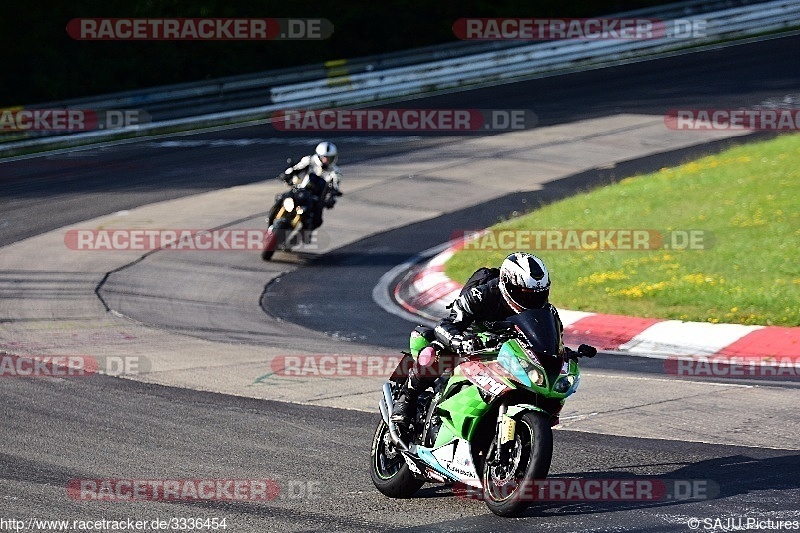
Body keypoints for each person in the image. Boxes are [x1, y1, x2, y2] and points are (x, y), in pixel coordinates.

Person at [391, 251, 594, 426]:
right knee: (433, 352)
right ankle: (406, 401)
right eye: (524, 294)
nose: (531, 300)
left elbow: (550, 341)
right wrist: (459, 341)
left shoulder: (547, 311)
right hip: (469, 340)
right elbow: (446, 325)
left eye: (537, 294)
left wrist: (562, 353)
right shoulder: (482, 295)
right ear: (507, 284)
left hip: (504, 351)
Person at [274, 141, 343, 231]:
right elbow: (296, 168)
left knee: (316, 221)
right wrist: (287, 174)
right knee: (281, 198)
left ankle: (298, 237)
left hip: (316, 199)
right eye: (324, 158)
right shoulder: (310, 160)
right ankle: (272, 219)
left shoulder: (336, 172)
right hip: (301, 190)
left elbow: (335, 187)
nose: (326, 161)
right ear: (318, 156)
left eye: (329, 158)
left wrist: (331, 198)